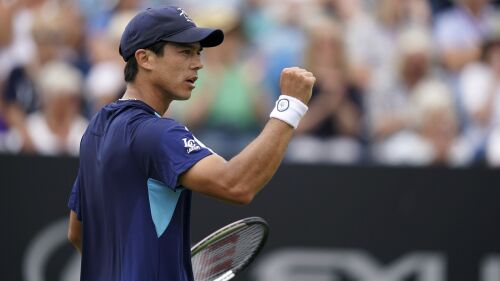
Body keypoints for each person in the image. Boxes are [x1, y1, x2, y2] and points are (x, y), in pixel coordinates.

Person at [66, 6, 315, 281]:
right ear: (145, 58)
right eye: (185, 52)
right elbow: (237, 185)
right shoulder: (158, 134)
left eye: (198, 52)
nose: (198, 63)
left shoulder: (95, 131)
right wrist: (290, 107)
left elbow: (77, 232)